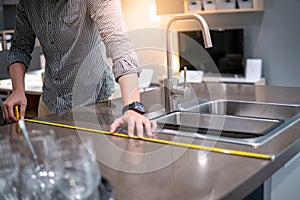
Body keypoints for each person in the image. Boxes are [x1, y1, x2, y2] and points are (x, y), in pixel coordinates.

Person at [2, 0, 156, 137]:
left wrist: (133, 107)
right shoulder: (28, 4)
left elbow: (119, 43)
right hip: (50, 104)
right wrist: (18, 90)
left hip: (95, 105)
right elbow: (19, 48)